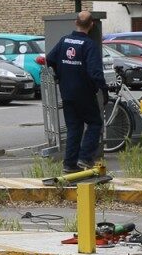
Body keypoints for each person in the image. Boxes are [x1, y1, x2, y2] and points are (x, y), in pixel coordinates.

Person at [46, 11, 109, 172]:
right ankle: (85, 158)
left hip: (67, 93)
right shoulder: (89, 45)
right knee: (95, 123)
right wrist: (104, 90)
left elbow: (50, 59)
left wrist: (61, 75)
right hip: (85, 94)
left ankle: (69, 164)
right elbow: (95, 72)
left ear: (76, 23)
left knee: (74, 128)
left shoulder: (64, 40)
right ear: (92, 24)